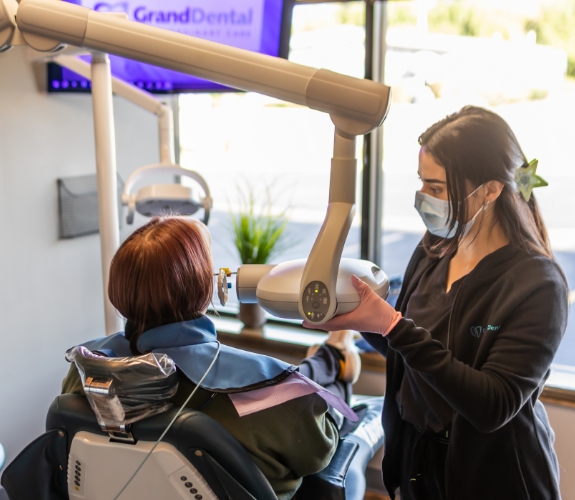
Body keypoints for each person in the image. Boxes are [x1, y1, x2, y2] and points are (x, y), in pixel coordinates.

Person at [304, 106, 569, 500]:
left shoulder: (536, 285)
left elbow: (492, 404)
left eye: (437, 188)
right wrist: (360, 318)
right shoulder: (433, 250)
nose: (422, 198)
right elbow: (413, 352)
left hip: (494, 479)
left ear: (491, 190)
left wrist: (392, 324)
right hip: (420, 466)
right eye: (421, 183)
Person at [61, 216, 366, 500]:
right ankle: (336, 356)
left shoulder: (85, 375)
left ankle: (331, 356)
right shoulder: (271, 394)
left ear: (120, 291)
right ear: (205, 287)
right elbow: (320, 448)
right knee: (349, 404)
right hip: (296, 413)